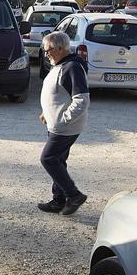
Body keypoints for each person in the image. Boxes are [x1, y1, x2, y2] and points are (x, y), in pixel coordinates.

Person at [37, 31, 89, 215]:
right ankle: (58, 200)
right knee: (58, 160)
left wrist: (63, 119)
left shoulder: (72, 68)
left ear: (60, 48)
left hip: (65, 127)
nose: (46, 54)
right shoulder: (60, 65)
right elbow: (58, 94)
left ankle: (73, 195)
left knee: (48, 159)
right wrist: (47, 112)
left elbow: (82, 100)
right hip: (57, 125)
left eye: (48, 50)